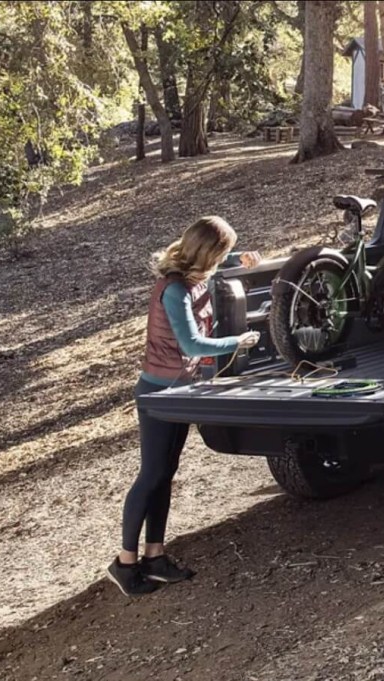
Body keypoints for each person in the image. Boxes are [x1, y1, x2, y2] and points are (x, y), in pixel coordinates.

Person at [107, 216, 262, 596]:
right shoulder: (174, 290)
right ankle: (124, 563)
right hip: (157, 392)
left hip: (180, 390)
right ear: (207, 252)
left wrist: (241, 258)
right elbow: (191, 345)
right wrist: (237, 342)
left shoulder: (196, 274)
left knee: (165, 472)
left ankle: (155, 557)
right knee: (151, 474)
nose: (223, 259)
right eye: (222, 252)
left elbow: (220, 266)